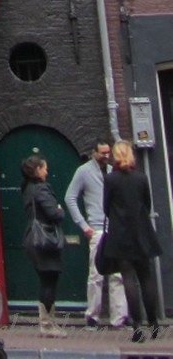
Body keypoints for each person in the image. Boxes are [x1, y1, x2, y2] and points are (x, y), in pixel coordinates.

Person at [102, 140, 161, 343]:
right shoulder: (141, 178)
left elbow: (105, 207)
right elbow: (147, 203)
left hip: (121, 235)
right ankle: (153, 324)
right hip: (141, 233)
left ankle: (136, 328)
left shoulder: (111, 180)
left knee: (128, 279)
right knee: (146, 278)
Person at [65, 138, 127, 328]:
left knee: (118, 275)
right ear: (94, 152)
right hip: (97, 228)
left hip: (115, 228)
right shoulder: (83, 171)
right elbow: (70, 197)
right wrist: (83, 225)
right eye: (102, 153)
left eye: (108, 153)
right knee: (96, 274)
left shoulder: (112, 171)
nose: (106, 156)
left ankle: (120, 318)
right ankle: (92, 316)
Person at [21, 154, 67, 336]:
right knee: (49, 280)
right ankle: (47, 325)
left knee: (46, 279)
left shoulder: (28, 189)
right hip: (45, 239)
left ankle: (47, 322)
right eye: (44, 168)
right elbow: (54, 214)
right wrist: (59, 210)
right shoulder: (41, 189)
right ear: (37, 170)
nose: (47, 171)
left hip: (33, 237)